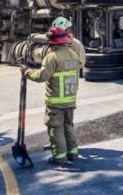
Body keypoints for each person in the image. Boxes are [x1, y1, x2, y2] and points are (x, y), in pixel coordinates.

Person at [21, 27, 80, 166]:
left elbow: (42, 76)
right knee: (68, 126)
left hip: (56, 101)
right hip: (70, 99)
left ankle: (59, 157)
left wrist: (26, 72)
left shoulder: (52, 57)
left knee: (55, 128)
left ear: (52, 42)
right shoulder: (73, 55)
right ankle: (73, 152)